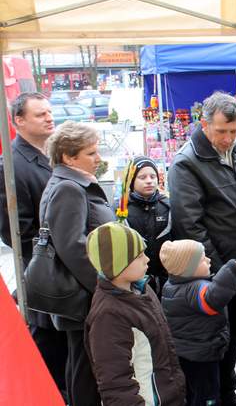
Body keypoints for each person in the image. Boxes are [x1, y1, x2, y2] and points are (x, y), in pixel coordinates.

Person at [169, 91, 236, 406]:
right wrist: (223, 271)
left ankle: (227, 389)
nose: (228, 138)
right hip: (217, 271)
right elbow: (191, 226)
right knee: (218, 337)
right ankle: (219, 395)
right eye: (221, 131)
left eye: (234, 131)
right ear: (204, 124)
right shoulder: (186, 163)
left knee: (235, 332)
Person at [39, 121, 116, 406]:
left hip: (84, 295)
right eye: (91, 153)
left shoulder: (70, 183)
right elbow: (74, 247)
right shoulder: (69, 188)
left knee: (82, 364)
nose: (98, 159)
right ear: (69, 157)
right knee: (85, 368)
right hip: (83, 296)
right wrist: (105, 287)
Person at [0, 92, 67, 397]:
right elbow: (14, 230)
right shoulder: (10, 165)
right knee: (49, 348)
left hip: (63, 269)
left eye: (49, 112)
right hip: (43, 273)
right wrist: (51, 252)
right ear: (19, 121)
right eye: (40, 114)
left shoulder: (50, 154)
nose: (49, 117)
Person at [84, 222, 186, 406]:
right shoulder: (108, 316)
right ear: (117, 264)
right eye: (139, 256)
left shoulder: (142, 289)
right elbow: (115, 384)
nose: (147, 259)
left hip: (167, 395)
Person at [160, 240, 236, 406]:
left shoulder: (171, 286)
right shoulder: (194, 289)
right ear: (188, 269)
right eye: (202, 259)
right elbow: (213, 298)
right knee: (207, 395)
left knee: (192, 392)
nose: (208, 260)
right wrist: (233, 270)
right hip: (202, 357)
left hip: (185, 354)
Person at [125, 156, 171, 296]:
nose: (149, 181)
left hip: (167, 280)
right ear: (132, 181)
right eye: (142, 177)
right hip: (136, 282)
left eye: (153, 176)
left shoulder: (167, 206)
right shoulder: (122, 209)